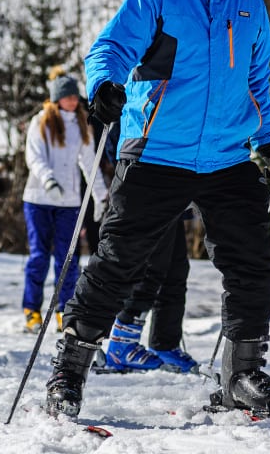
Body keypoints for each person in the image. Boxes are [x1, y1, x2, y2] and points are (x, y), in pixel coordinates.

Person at [45, 0, 270, 418]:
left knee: (254, 265)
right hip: (159, 152)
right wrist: (104, 86)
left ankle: (242, 374)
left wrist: (265, 141)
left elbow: (257, 83)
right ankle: (69, 370)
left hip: (228, 157)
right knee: (117, 264)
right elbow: (107, 49)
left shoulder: (249, 2)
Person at [99, 123, 197, 374]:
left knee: (176, 271)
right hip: (146, 186)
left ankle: (164, 343)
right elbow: (117, 142)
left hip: (176, 185)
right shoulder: (134, 92)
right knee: (152, 268)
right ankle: (121, 344)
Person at [21, 66, 108, 334]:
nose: (73, 101)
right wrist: (48, 179)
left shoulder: (82, 124)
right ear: (57, 98)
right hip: (39, 198)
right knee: (38, 256)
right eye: (68, 97)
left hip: (69, 202)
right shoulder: (42, 121)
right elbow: (33, 156)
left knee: (67, 258)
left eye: (75, 97)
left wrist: (100, 195)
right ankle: (31, 310)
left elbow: (89, 162)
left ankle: (64, 309)